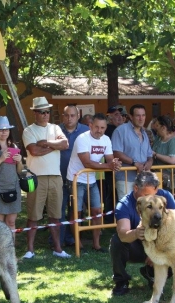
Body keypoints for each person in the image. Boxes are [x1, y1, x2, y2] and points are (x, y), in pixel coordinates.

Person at [109, 171, 175, 296]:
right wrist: (135, 233)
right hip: (137, 247)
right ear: (136, 188)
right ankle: (121, 281)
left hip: (160, 245)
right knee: (117, 240)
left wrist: (156, 252)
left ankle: (152, 275)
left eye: (154, 193)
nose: (151, 198)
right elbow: (123, 233)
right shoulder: (124, 205)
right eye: (146, 195)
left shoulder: (165, 197)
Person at [21, 96, 70, 259]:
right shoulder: (29, 130)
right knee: (33, 215)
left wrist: (45, 143)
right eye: (41, 112)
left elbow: (65, 144)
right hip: (36, 178)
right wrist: (54, 146)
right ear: (35, 113)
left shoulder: (55, 128)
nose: (45, 114)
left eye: (47, 111)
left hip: (56, 177)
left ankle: (58, 248)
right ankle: (30, 250)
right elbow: (34, 151)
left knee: (55, 215)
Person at [66, 113, 120, 251]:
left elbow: (110, 159)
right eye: (96, 127)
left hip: (92, 180)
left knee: (97, 210)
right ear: (90, 126)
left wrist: (114, 163)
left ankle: (96, 244)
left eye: (102, 127)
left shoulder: (106, 139)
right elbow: (87, 163)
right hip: (76, 178)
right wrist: (109, 166)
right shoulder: (82, 139)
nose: (99, 130)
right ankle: (78, 243)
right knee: (77, 212)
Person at [57, 105, 89, 246]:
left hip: (79, 178)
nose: (69, 118)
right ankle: (58, 239)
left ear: (78, 116)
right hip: (59, 176)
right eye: (66, 115)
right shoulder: (55, 130)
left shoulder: (86, 131)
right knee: (59, 209)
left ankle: (73, 239)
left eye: (72, 115)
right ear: (62, 116)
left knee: (75, 210)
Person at [111, 104, 153, 199]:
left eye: (143, 115)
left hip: (143, 179)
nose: (141, 118)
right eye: (138, 115)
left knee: (142, 209)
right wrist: (134, 163)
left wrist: (150, 162)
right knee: (126, 209)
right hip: (125, 178)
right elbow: (116, 153)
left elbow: (149, 154)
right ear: (131, 117)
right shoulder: (120, 130)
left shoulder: (144, 133)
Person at [151, 115, 175, 204]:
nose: (155, 128)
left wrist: (155, 154)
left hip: (171, 182)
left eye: (157, 126)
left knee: (170, 207)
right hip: (158, 179)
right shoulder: (158, 139)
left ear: (163, 127)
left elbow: (172, 160)